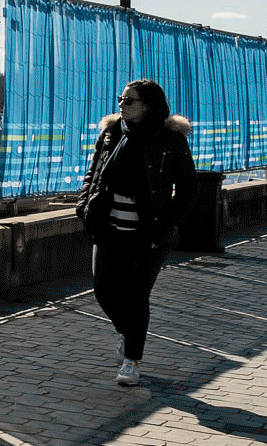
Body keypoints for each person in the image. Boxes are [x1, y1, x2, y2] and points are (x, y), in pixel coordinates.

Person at [76, 79, 198, 388]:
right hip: (108, 227)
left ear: (148, 106)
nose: (121, 104)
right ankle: (127, 331)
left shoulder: (170, 139)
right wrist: (84, 205)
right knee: (103, 290)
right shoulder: (111, 133)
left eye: (129, 100)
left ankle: (132, 360)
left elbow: (188, 188)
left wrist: (166, 224)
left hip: (149, 234)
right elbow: (93, 173)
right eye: (120, 98)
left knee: (136, 295)